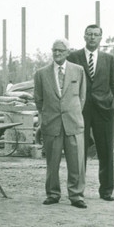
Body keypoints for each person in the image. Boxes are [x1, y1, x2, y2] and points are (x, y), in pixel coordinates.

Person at [34, 38, 87, 208]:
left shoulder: (78, 71)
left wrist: (73, 112)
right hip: (52, 124)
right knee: (52, 162)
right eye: (54, 50)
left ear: (67, 53)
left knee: (76, 162)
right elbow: (39, 100)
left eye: (61, 51)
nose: (57, 53)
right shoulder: (41, 73)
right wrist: (47, 117)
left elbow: (82, 97)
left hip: (73, 123)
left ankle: (76, 195)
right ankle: (53, 194)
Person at [67, 25, 114, 201]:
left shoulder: (109, 59)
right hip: (81, 109)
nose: (93, 37)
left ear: (101, 37)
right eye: (90, 34)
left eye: (96, 35)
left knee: (107, 150)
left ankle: (107, 190)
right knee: (79, 151)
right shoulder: (73, 57)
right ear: (84, 36)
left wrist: (113, 105)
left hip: (104, 111)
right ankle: (78, 191)